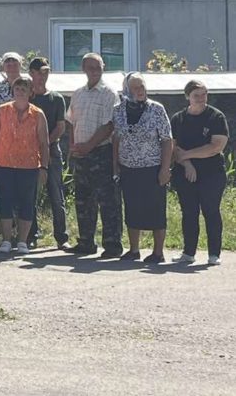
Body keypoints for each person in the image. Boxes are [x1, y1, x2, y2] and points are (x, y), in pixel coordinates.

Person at [112, 73, 172, 264]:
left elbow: (167, 140)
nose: (140, 91)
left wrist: (165, 169)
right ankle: (134, 250)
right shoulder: (118, 110)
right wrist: (115, 166)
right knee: (132, 208)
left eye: (142, 87)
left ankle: (158, 252)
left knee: (156, 210)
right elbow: (116, 139)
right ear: (127, 90)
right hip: (128, 168)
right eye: (135, 88)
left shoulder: (156, 109)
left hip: (152, 168)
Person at [66, 53, 122, 258]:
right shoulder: (78, 94)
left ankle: (112, 244)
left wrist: (89, 145)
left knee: (107, 201)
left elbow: (109, 125)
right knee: (83, 200)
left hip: (101, 152)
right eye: (90, 67)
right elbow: (71, 122)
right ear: (83, 69)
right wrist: (73, 146)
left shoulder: (109, 93)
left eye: (98, 66)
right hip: (81, 154)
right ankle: (86, 241)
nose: (95, 70)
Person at [170, 80, 229, 266]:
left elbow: (216, 146)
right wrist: (187, 164)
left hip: (212, 174)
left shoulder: (215, 117)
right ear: (188, 96)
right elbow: (173, 147)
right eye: (197, 95)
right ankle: (188, 253)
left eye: (204, 94)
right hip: (185, 173)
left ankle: (214, 254)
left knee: (211, 211)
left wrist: (187, 154)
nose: (201, 99)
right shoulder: (178, 119)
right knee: (189, 212)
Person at [0, 77, 49, 253]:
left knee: (27, 203)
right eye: (17, 89)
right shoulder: (2, 110)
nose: (20, 92)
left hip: (29, 166)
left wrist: (44, 167)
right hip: (3, 163)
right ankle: (6, 240)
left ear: (31, 92)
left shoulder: (38, 114)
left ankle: (22, 241)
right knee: (5, 202)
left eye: (24, 89)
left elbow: (44, 143)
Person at [26, 57, 70, 250]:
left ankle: (62, 237)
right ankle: (31, 235)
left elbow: (61, 127)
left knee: (56, 195)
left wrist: (45, 144)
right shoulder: (26, 97)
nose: (43, 76)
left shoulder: (56, 98)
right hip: (28, 153)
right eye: (39, 72)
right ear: (31, 74)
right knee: (30, 195)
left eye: (46, 72)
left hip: (52, 151)